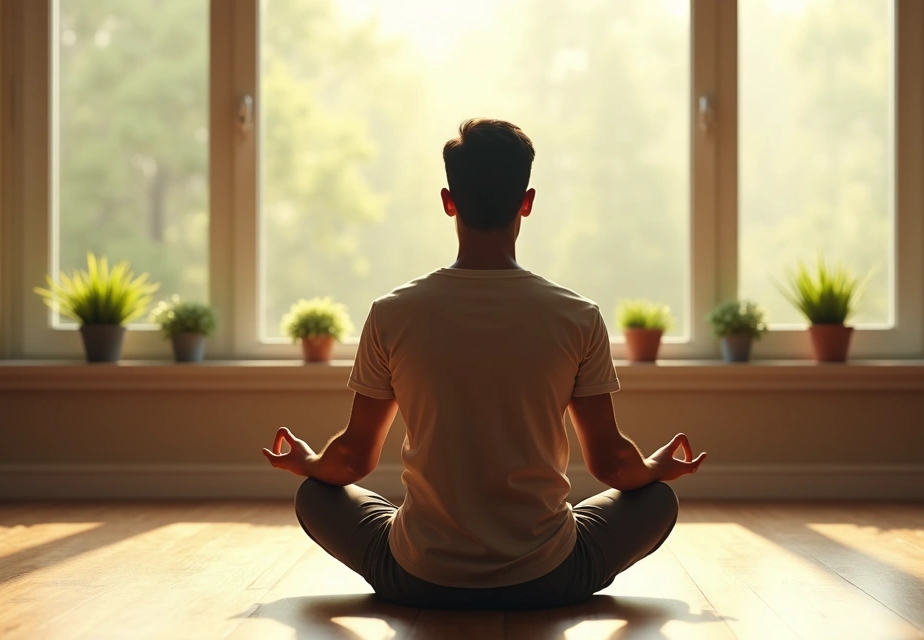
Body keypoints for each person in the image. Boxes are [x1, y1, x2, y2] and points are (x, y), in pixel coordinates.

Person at [262, 118, 707, 610]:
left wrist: (305, 460)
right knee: (658, 500)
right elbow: (611, 463)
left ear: (449, 202)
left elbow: (350, 460)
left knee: (314, 496)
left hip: (417, 576)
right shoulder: (577, 316)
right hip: (549, 574)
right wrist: (655, 467)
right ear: (528, 201)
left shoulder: (392, 313)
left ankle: (427, 547)